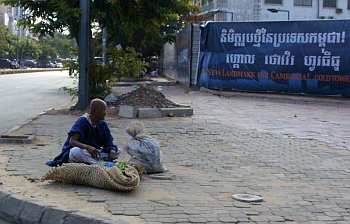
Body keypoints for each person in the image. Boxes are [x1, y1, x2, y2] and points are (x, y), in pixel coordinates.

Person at [46, 99, 119, 167]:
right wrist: (87, 147)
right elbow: (72, 141)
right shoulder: (83, 121)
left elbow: (109, 142)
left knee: (117, 150)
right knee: (76, 151)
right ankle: (100, 165)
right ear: (94, 111)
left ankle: (99, 162)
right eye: (103, 110)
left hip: (94, 153)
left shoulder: (102, 124)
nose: (105, 113)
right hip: (79, 152)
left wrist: (112, 150)